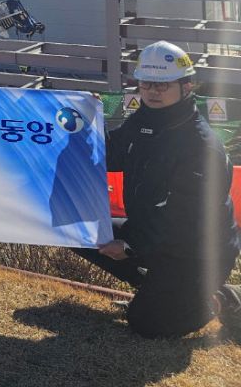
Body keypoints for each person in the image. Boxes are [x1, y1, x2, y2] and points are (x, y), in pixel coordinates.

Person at [75, 41, 241, 339]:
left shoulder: (199, 146)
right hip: (154, 234)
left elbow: (185, 219)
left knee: (147, 324)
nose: (152, 91)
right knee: (77, 229)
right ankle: (159, 287)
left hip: (196, 253)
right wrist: (86, 121)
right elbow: (110, 155)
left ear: (187, 86)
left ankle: (220, 297)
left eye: (163, 85)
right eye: (146, 83)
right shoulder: (143, 121)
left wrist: (131, 247)